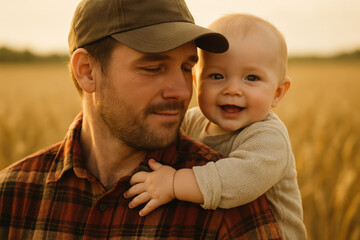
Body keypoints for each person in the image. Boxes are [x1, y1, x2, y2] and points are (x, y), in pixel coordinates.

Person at [0, 1, 282, 239]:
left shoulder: (226, 199)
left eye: (187, 67)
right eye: (153, 67)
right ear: (87, 71)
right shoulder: (11, 194)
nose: (183, 91)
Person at [125, 14, 307, 239]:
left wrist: (173, 183)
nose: (232, 89)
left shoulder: (268, 137)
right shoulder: (193, 121)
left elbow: (238, 182)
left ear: (278, 93)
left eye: (251, 78)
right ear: (196, 82)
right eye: (217, 76)